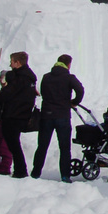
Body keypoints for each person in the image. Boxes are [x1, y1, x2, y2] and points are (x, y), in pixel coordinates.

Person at [0, 51, 37, 178]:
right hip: (21, 115)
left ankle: (19, 171)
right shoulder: (28, 77)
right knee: (13, 144)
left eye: (12, 62)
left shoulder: (20, 78)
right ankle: (18, 170)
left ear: (17, 62)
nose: (10, 64)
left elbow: (6, 95)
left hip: (13, 116)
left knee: (12, 145)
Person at [31, 54, 84, 182]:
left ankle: (36, 172)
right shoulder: (69, 78)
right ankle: (65, 175)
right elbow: (80, 90)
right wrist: (74, 102)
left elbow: (43, 93)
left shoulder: (46, 77)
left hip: (47, 115)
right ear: (68, 64)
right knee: (64, 148)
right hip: (62, 115)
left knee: (42, 145)